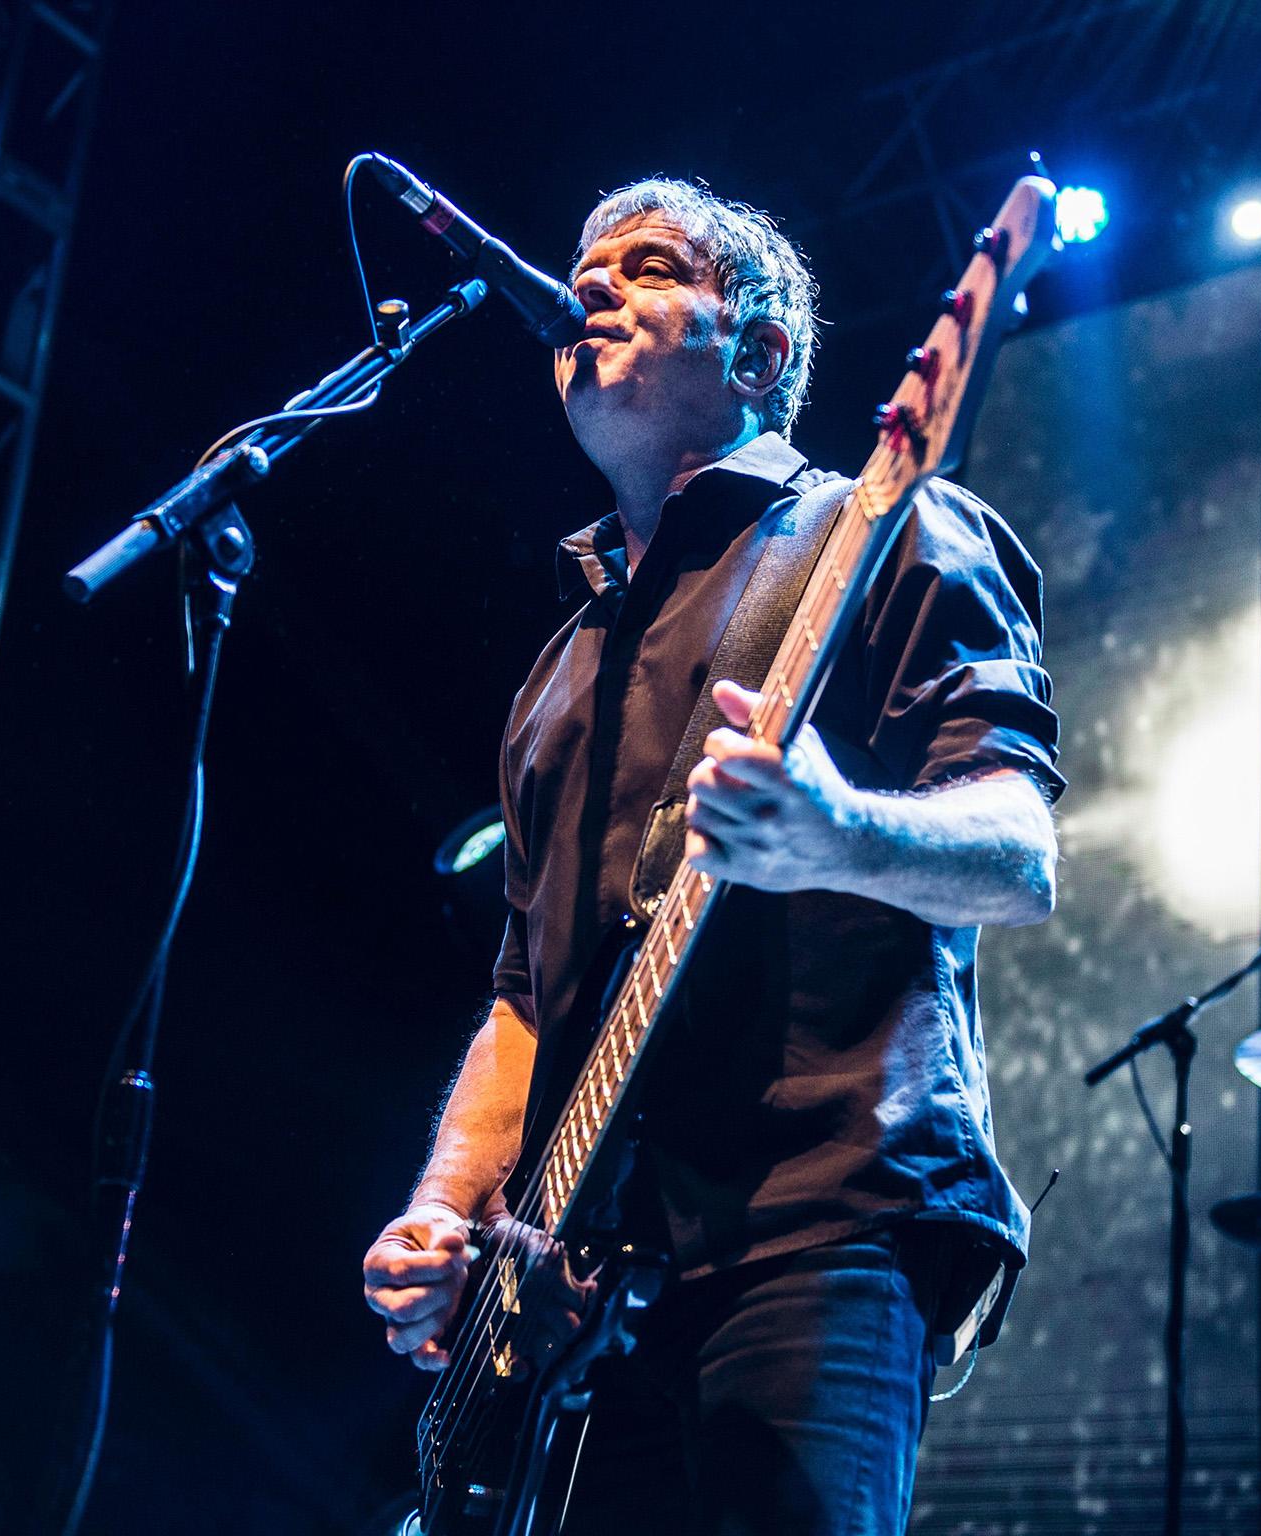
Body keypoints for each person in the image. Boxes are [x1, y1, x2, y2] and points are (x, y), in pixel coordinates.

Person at [363, 178, 1063, 1536]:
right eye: (582, 267)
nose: (591, 289)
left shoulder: (892, 530)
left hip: (816, 1222)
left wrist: (832, 831)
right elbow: (525, 997)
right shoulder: (559, 673)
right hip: (577, 1299)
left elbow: (1020, 853)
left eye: (645, 266)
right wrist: (443, 1217)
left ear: (759, 356)